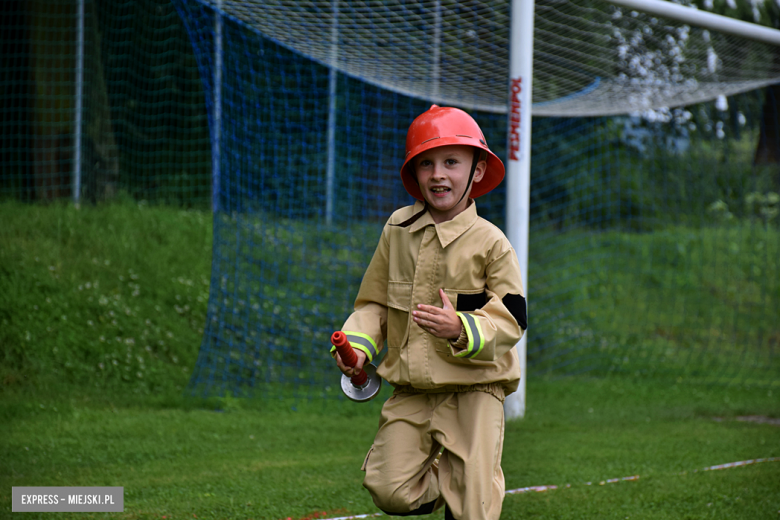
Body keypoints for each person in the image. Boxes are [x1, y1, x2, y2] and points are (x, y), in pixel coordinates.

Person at [332, 105, 527, 520]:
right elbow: (374, 303)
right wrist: (360, 347)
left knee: (473, 510)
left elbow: (512, 319)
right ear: (414, 174)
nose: (438, 174)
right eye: (426, 164)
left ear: (476, 172)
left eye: (451, 162)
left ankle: (470, 484)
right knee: (389, 489)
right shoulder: (397, 229)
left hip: (474, 389)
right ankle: (456, 478)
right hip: (413, 390)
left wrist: (461, 327)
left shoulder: (492, 243)